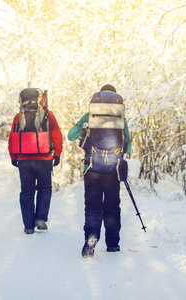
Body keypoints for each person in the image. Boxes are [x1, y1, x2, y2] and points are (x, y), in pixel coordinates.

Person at [68, 84, 132, 257]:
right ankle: (113, 244)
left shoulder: (90, 115)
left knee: (93, 206)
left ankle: (92, 235)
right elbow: (128, 147)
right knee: (112, 207)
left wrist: (83, 129)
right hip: (113, 170)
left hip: (92, 169)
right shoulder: (120, 118)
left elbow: (70, 136)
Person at [8, 88, 63, 234]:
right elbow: (57, 135)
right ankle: (40, 218)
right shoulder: (48, 115)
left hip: (24, 160)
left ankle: (28, 226)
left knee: (27, 192)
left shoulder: (18, 117)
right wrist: (57, 154)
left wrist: (13, 157)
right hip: (44, 159)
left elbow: (12, 138)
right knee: (45, 188)